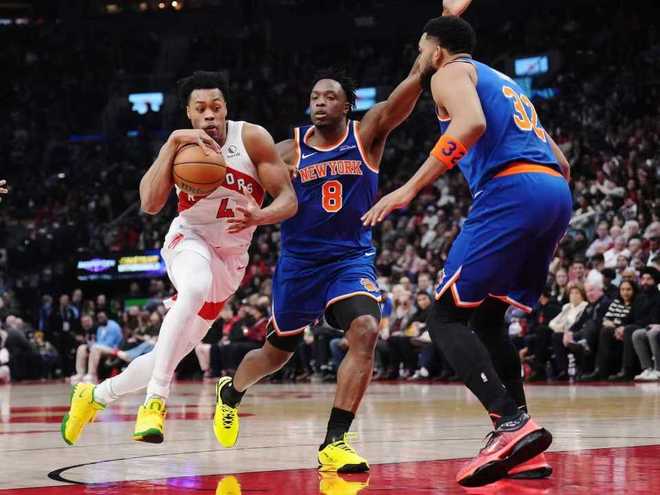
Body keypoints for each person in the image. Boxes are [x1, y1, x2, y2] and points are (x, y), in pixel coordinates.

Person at [213, 1, 473, 473]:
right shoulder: (285, 151)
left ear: (347, 105)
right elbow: (238, 181)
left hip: (350, 260)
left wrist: (444, 31)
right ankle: (231, 391)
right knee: (274, 355)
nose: (319, 101)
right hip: (299, 264)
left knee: (367, 330)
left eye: (329, 96)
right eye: (314, 96)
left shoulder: (367, 134)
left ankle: (336, 441)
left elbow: (415, 80)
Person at [362, 16, 572, 486]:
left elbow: (471, 123)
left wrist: (409, 188)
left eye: (421, 49)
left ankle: (508, 422)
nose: (419, 58)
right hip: (553, 194)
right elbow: (562, 161)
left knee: (443, 318)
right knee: (489, 319)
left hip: (511, 191)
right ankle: (523, 448)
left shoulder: (449, 72)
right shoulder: (504, 82)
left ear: (436, 51)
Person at [61, 70, 297, 446]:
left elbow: (288, 199)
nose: (209, 114)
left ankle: (94, 396)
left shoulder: (251, 138)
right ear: (189, 113)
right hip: (189, 239)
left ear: (226, 108)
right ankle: (155, 401)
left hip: (230, 263)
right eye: (200, 108)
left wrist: (261, 215)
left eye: (216, 106)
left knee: (166, 355)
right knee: (194, 286)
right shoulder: (181, 147)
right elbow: (150, 204)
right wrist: (171, 143)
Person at [579, 280, 637, 381]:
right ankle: (600, 370)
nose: (625, 292)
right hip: (614, 330)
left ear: (634, 290)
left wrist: (617, 325)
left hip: (627, 330)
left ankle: (618, 371)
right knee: (604, 330)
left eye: (628, 290)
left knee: (606, 331)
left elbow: (631, 320)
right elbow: (606, 319)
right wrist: (615, 325)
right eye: (622, 290)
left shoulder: (636, 303)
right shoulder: (616, 302)